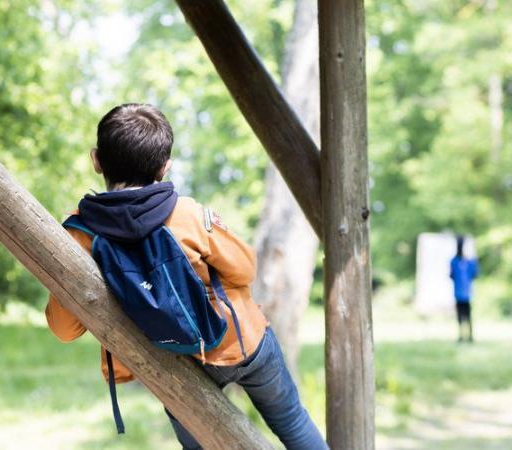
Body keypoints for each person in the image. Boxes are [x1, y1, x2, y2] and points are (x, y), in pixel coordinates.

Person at [44, 103, 327, 450]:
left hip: (181, 361)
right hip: (243, 341)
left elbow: (64, 328)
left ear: (96, 160)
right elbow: (244, 270)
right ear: (165, 167)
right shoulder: (188, 215)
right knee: (293, 422)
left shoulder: (81, 233)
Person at [449, 235, 478, 342]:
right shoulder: (456, 262)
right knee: (463, 316)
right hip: (461, 293)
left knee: (465, 316)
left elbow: (474, 274)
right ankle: (464, 336)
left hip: (465, 293)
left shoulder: (465, 262)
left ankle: (467, 336)